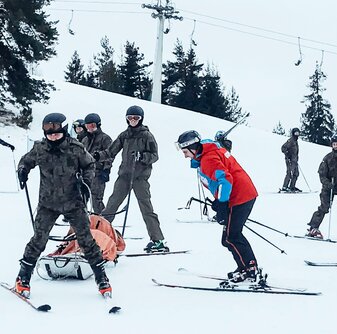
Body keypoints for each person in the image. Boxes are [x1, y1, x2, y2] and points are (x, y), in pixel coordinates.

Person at [15, 113, 111, 298]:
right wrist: (22, 170)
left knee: (86, 240)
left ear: (65, 131)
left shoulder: (76, 148)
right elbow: (26, 160)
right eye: (49, 135)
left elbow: (90, 165)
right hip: (47, 204)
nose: (53, 138)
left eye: (57, 134)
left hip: (73, 202)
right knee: (38, 240)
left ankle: (102, 279)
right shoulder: (40, 148)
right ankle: (23, 277)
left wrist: (85, 183)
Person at [176, 130, 263, 284]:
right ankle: (246, 267)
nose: (184, 156)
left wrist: (222, 204)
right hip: (240, 196)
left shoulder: (208, 159)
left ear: (193, 148)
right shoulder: (208, 153)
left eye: (185, 152)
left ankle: (250, 270)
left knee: (232, 236)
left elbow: (225, 180)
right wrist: (220, 201)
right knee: (228, 238)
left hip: (240, 197)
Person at [95, 105, 168, 253]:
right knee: (111, 206)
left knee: (146, 207)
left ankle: (158, 240)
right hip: (124, 177)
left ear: (141, 119)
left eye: (136, 118)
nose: (133, 121)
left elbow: (155, 155)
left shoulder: (147, 136)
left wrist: (142, 157)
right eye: (130, 118)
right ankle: (98, 236)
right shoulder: (125, 135)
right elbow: (111, 151)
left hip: (140, 177)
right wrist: (98, 156)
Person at [82, 113, 113, 214]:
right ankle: (80, 219)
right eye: (87, 126)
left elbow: (110, 155)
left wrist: (106, 169)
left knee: (96, 198)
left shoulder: (105, 138)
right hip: (85, 173)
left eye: (92, 126)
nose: (90, 129)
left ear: (98, 125)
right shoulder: (85, 140)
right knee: (81, 196)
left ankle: (101, 218)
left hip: (98, 173)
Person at [280, 127, 301, 192]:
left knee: (296, 173)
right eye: (296, 133)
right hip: (290, 160)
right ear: (293, 133)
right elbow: (283, 148)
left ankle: (292, 186)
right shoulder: (291, 140)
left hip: (294, 160)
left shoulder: (295, 141)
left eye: (298, 133)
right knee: (289, 172)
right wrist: (287, 154)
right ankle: (285, 187)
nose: (297, 134)